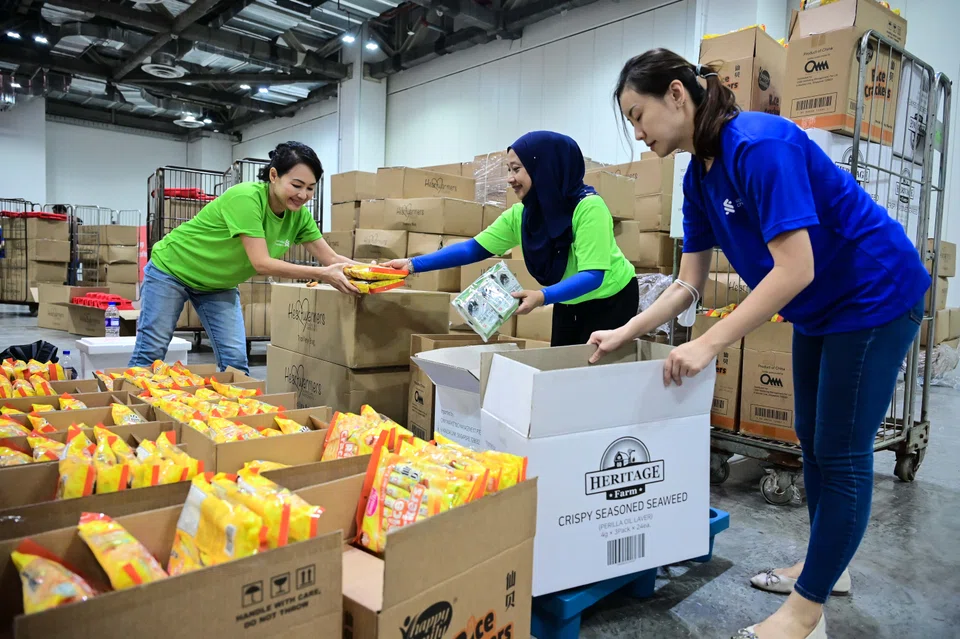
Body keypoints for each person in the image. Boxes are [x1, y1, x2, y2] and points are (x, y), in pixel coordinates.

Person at [588, 49, 929, 639]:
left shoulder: (758, 145)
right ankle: (831, 572)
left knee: (842, 452)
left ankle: (805, 612)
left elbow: (794, 267)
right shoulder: (697, 174)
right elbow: (687, 283)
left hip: (875, 294)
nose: (637, 132)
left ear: (676, 95)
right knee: (813, 443)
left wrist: (710, 343)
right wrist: (627, 330)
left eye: (637, 114)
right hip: (822, 309)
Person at [382, 131, 638, 347]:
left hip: (611, 299)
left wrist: (542, 296)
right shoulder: (522, 214)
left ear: (544, 169)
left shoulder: (588, 208)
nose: (509, 178)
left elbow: (594, 275)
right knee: (562, 371)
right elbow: (473, 249)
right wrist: (412, 265)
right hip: (568, 299)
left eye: (516, 169)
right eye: (508, 169)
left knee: (592, 377)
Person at [129, 141, 358, 374]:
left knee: (235, 362)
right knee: (152, 352)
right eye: (297, 185)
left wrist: (379, 270)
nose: (303, 195)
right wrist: (322, 274)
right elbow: (262, 263)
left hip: (218, 285)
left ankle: (232, 410)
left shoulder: (298, 217)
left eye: (310, 188)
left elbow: (331, 258)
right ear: (274, 175)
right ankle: (128, 408)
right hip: (172, 270)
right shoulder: (245, 198)